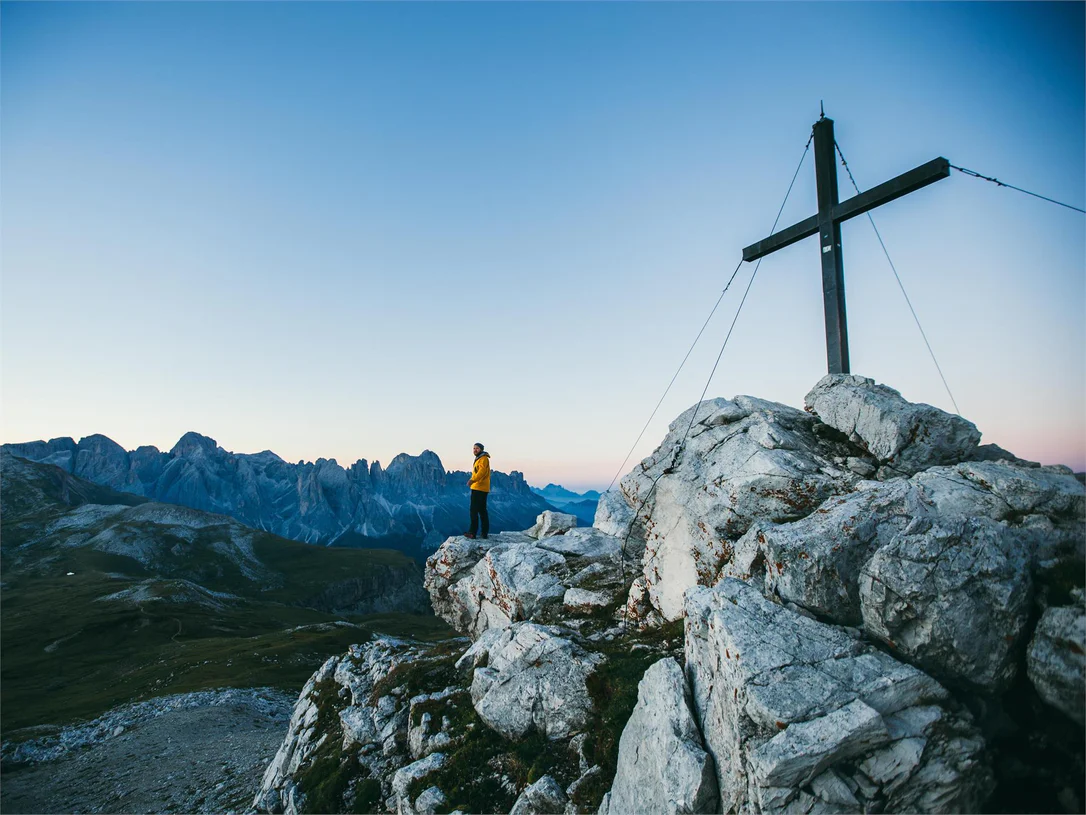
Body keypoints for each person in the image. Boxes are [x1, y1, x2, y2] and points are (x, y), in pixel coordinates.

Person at [465, 442, 490, 539]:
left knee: (474, 510)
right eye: (474, 448)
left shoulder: (483, 459)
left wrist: (472, 480)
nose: (475, 450)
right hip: (482, 488)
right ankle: (484, 533)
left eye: (477, 448)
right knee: (482, 510)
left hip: (479, 487)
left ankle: (472, 532)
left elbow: (482, 472)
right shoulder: (480, 458)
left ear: (481, 449)